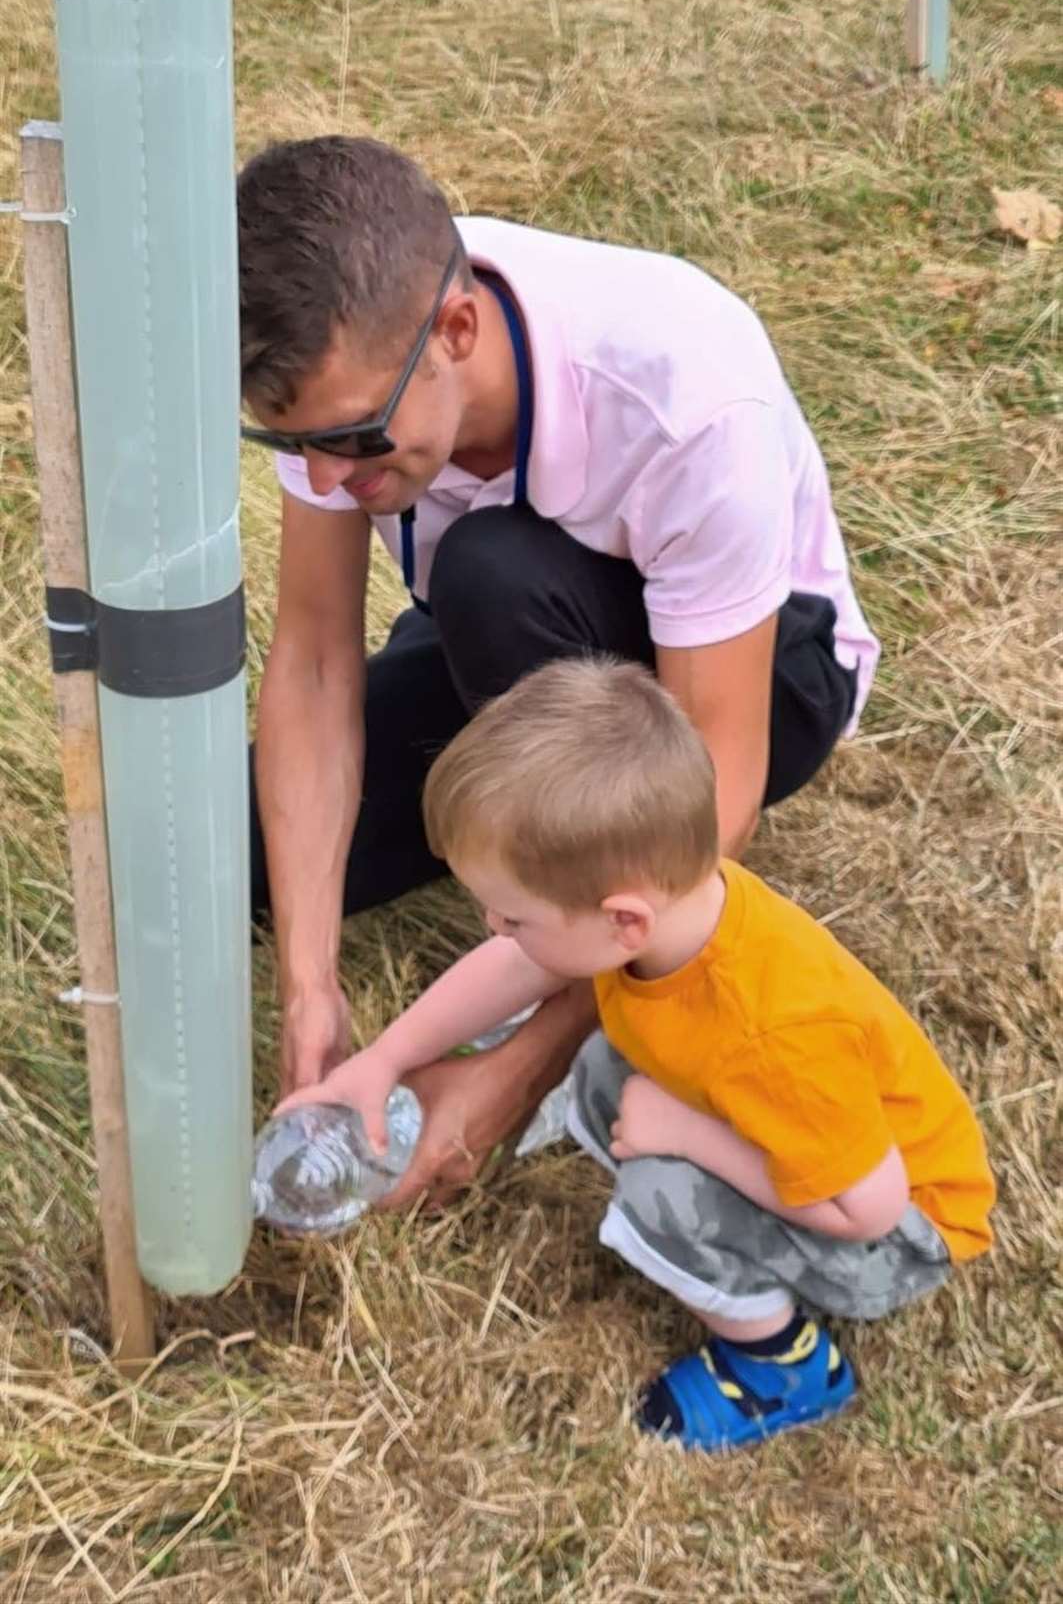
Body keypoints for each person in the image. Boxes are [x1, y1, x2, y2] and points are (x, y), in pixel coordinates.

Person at [238, 134, 880, 1205]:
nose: (323, 477)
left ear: (454, 332)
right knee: (242, 856)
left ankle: (548, 909)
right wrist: (311, 988)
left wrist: (509, 1074)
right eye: (288, 445)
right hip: (514, 648)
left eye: (350, 441)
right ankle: (523, 868)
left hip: (757, 678)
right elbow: (309, 668)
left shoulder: (686, 392)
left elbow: (706, 806)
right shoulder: (344, 380)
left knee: (491, 575)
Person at [281, 659, 995, 1454]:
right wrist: (382, 1059)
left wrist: (689, 1139)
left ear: (621, 922)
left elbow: (865, 1207)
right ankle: (710, 1221)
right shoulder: (670, 910)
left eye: (511, 914)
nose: (491, 926)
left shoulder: (778, 1034)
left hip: (895, 1231)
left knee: (664, 1189)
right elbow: (520, 966)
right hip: (815, 1153)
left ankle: (782, 1365)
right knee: (603, 1071)